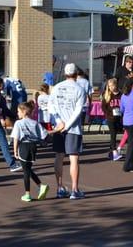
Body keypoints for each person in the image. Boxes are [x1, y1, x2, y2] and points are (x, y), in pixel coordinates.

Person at [49, 63, 86, 200]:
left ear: (65, 74)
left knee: (59, 156)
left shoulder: (57, 87)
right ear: (76, 74)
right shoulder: (79, 89)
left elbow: (50, 106)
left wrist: (59, 121)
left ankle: (60, 188)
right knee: (74, 158)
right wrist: (68, 124)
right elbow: (78, 111)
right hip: (73, 128)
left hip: (59, 127)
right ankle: (75, 190)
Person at [11, 101, 50, 202]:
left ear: (24, 112)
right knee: (28, 168)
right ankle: (41, 186)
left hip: (23, 146)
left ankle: (27, 194)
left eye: (18, 111)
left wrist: (14, 151)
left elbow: (16, 138)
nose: (17, 113)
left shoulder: (18, 123)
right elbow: (44, 134)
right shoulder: (35, 122)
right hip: (33, 147)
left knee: (26, 171)